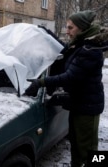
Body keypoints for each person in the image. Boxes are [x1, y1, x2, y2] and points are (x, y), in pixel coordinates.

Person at [25, 10, 108, 167]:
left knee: (90, 153)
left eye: (71, 28)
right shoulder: (83, 43)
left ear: (82, 28)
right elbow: (67, 52)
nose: (67, 31)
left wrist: (41, 82)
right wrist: (49, 35)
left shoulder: (90, 51)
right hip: (80, 103)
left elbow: (70, 76)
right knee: (76, 147)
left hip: (88, 109)